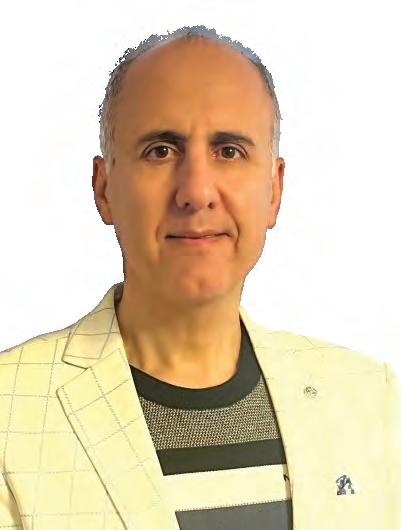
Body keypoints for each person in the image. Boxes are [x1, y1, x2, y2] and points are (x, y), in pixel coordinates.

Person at [0, 25, 400, 530]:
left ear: (274, 190)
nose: (196, 192)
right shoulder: (9, 415)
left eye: (228, 151)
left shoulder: (371, 400)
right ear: (104, 189)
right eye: (161, 151)